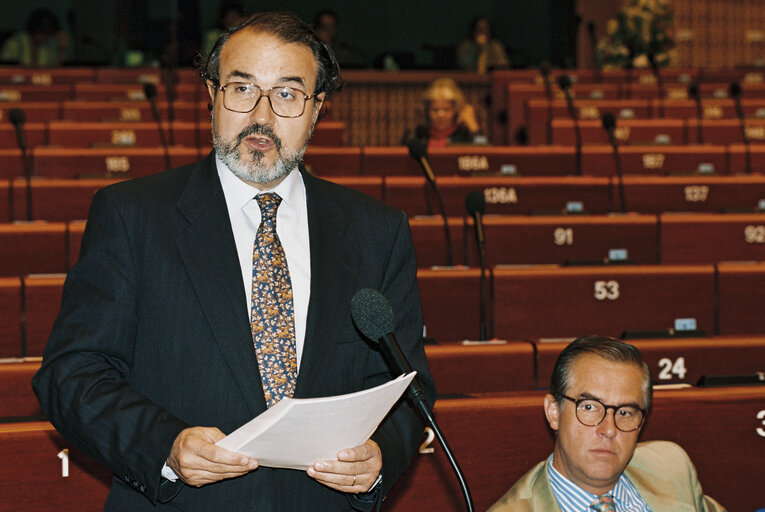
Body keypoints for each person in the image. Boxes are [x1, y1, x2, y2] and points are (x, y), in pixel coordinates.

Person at [32, 11, 435, 512]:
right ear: (211, 94)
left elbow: (406, 387)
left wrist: (380, 457)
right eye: (242, 89)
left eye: (287, 94)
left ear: (317, 109)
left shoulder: (378, 231)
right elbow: (72, 373)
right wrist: (166, 446)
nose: (261, 116)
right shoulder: (132, 215)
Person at [488, 335, 725, 512]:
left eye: (625, 412)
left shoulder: (672, 465)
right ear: (554, 412)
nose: (609, 430)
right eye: (589, 408)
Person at [405, 78, 484, 149]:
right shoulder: (417, 135)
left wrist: (475, 129)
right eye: (435, 110)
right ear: (427, 111)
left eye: (446, 110)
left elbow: (485, 154)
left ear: (455, 110)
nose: (441, 115)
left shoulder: (464, 134)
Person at [0, 8, 69, 66]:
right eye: (43, 33)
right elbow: (5, 70)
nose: (45, 37)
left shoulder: (47, 46)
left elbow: (56, 71)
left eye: (49, 34)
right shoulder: (15, 44)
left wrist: (62, 48)